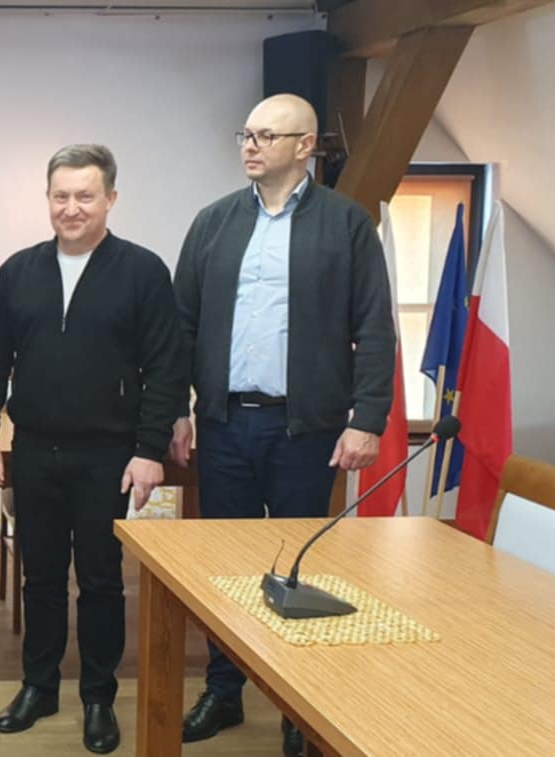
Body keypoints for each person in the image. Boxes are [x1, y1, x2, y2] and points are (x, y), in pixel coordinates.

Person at [170, 93, 395, 757]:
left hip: (308, 429)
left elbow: (374, 328)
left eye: (267, 135)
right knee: (228, 566)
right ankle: (224, 688)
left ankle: (302, 705)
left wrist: (367, 419)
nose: (251, 145)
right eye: (247, 133)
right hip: (223, 424)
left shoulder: (346, 224)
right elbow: (181, 326)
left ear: (305, 146)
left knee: (301, 566)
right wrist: (175, 409)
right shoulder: (213, 222)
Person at [0, 144, 186, 755]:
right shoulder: (19, 271)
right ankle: (38, 687)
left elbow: (165, 367)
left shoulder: (142, 271)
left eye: (85, 196)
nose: (71, 208)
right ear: (47, 199)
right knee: (39, 577)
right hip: (35, 450)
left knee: (100, 581)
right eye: (60, 196)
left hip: (108, 456)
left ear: (110, 199)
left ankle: (98, 697)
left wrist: (149, 449)